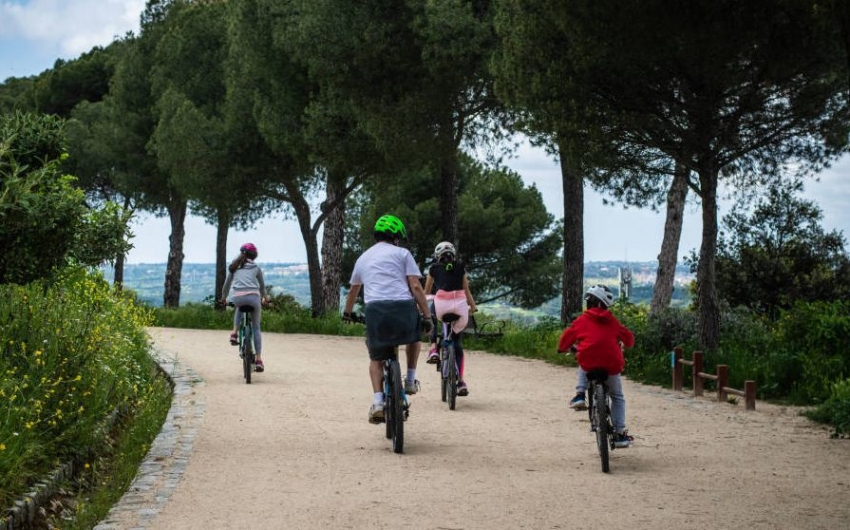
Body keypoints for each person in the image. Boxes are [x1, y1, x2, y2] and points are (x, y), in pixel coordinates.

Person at [342, 214, 433, 424]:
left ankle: (378, 402)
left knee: (376, 359)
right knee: (414, 338)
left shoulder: (363, 257)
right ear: (397, 236)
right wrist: (427, 316)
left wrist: (347, 313)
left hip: (376, 311)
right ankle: (410, 380)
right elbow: (416, 287)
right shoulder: (403, 254)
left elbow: (353, 290)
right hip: (403, 308)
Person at [557, 284, 635, 448]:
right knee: (617, 397)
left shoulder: (582, 320)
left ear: (590, 303)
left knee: (584, 358)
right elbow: (628, 337)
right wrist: (627, 344)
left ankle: (579, 394)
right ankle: (620, 433)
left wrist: (562, 348)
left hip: (589, 360)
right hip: (612, 363)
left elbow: (568, 336)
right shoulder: (612, 321)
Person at [424, 241, 477, 396]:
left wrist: (423, 305)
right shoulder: (461, 268)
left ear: (437, 255)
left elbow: (426, 291)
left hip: (441, 308)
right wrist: (473, 307)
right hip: (460, 308)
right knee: (457, 344)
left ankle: (434, 347)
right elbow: (466, 291)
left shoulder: (433, 269)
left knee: (431, 313)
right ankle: (460, 382)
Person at [221, 243, 271, 372]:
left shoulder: (234, 267)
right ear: (254, 256)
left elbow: (226, 286)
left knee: (239, 306)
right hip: (254, 298)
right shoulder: (256, 268)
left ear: (241, 253)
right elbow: (262, 287)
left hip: (238, 298)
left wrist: (223, 298)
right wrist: (266, 298)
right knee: (256, 328)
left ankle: (234, 333)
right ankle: (259, 360)